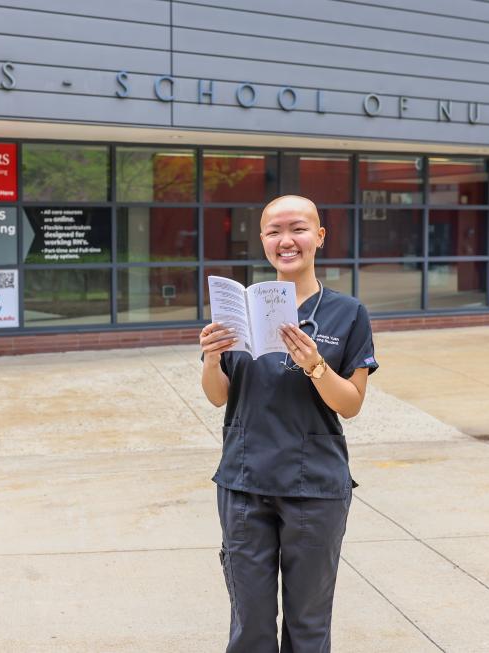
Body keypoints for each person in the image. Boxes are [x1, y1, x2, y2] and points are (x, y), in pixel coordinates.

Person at [199, 195, 378, 653]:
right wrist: (212, 356)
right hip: (244, 483)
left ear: (318, 237)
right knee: (250, 625)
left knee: (308, 624)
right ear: (262, 241)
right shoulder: (239, 307)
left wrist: (316, 365)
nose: (285, 240)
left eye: (297, 229)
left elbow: (352, 404)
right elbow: (219, 395)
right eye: (273, 231)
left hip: (314, 486)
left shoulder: (348, 313)